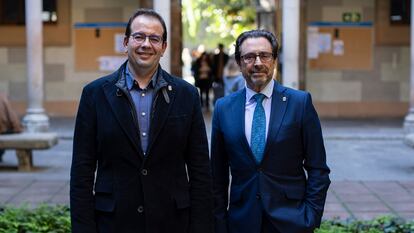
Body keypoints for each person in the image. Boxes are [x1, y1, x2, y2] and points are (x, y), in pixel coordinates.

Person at [70, 8, 213, 233]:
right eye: (139, 36)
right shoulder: (95, 94)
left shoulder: (187, 95)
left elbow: (200, 170)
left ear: (163, 47)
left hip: (172, 221)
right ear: (126, 42)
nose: (146, 44)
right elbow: (81, 171)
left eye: (154, 38)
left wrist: (201, 227)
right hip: (113, 222)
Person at [211, 29, 330, 233]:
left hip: (291, 220)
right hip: (241, 221)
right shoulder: (224, 108)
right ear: (239, 63)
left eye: (264, 55)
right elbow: (217, 176)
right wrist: (220, 223)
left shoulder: (299, 103)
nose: (257, 62)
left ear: (274, 60)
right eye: (249, 57)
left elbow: (318, 168)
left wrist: (311, 216)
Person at [0, 92, 23, 162]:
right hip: (2, 130)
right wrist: (18, 128)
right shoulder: (3, 97)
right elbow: (12, 117)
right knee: (6, 132)